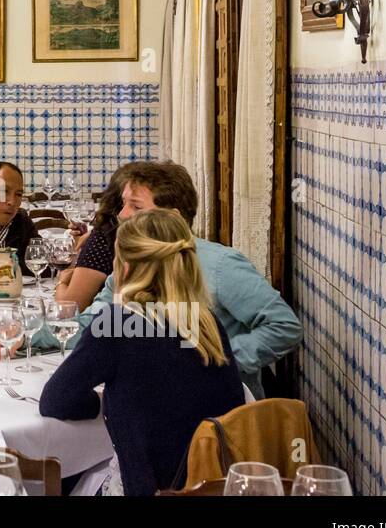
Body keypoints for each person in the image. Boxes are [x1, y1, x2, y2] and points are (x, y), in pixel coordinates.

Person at [39, 209, 246, 495]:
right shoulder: (206, 323)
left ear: (124, 267)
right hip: (211, 484)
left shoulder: (118, 324)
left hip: (150, 488)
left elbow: (55, 400)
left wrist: (98, 405)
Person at [64, 161, 301, 399]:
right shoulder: (130, 262)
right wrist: (36, 333)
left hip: (218, 411)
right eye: (124, 203)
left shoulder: (221, 265)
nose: (122, 214)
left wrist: (217, 359)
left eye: (135, 206)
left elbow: (283, 326)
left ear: (172, 217)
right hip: (149, 402)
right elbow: (95, 322)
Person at [55, 162, 141, 310]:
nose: (123, 214)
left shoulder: (105, 238)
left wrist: (61, 282)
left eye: (137, 206)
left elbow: (69, 307)